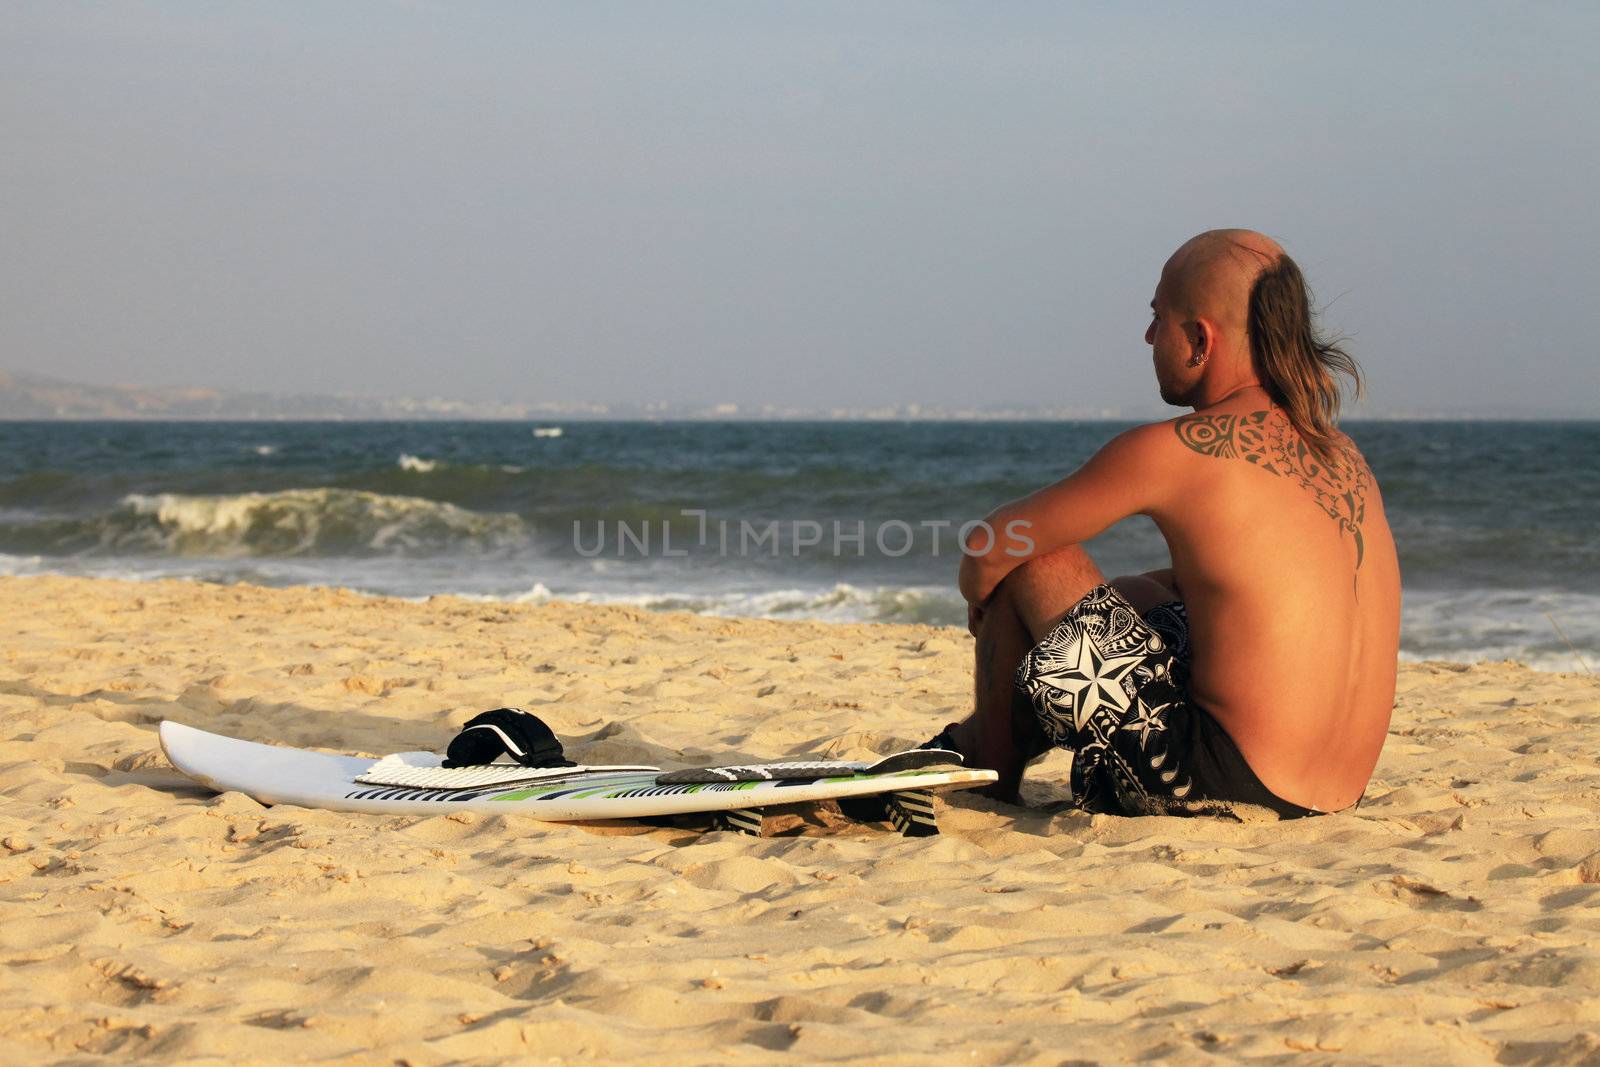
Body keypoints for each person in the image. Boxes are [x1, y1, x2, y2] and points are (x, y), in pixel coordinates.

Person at [935, 229, 1400, 819]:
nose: (1149, 336)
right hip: (1331, 794)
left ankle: (985, 768)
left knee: (1034, 557)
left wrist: (990, 605)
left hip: (1212, 785)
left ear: (1200, 339)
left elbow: (991, 544)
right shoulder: (1342, 453)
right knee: (1150, 591)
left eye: (1159, 318)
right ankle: (990, 739)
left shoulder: (1179, 450)